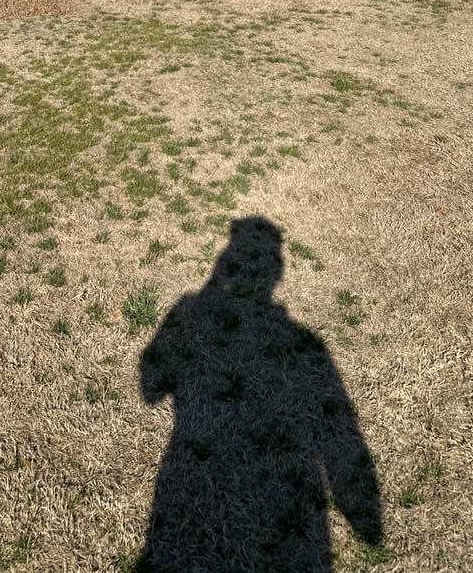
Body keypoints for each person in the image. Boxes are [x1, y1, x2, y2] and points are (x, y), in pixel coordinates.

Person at [138, 216, 383, 572]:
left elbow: (151, 386)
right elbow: (340, 430)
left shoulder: (188, 312)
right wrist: (366, 520)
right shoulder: (305, 343)